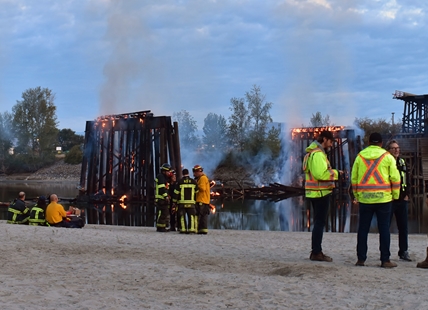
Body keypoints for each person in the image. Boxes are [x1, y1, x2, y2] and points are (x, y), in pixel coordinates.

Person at [352, 132, 401, 268]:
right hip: (383, 199)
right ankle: (385, 260)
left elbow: (354, 178)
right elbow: (395, 179)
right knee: (384, 229)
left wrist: (357, 195)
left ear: (368, 142)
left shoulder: (360, 157)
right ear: (381, 143)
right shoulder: (387, 157)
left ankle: (361, 259)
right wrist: (395, 196)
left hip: (365, 200)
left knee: (363, 229)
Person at [303, 131, 342, 262]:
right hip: (320, 192)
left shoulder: (312, 153)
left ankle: (316, 251)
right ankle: (316, 252)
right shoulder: (318, 154)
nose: (331, 144)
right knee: (319, 223)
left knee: (318, 223)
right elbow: (320, 174)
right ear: (324, 139)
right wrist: (337, 173)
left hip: (315, 192)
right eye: (330, 141)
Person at [385, 139, 411, 261]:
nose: (396, 150)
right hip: (389, 199)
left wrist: (407, 194)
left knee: (403, 227)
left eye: (398, 148)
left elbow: (407, 179)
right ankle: (385, 253)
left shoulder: (402, 162)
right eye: (394, 148)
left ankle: (403, 251)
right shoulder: (385, 163)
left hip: (402, 200)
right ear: (388, 150)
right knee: (386, 227)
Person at [174, 168, 199, 234]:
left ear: (182, 174)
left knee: (182, 216)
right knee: (191, 216)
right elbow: (197, 191)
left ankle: (183, 229)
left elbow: (176, 192)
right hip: (191, 202)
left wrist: (174, 201)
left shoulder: (180, 182)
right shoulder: (193, 181)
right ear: (188, 173)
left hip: (182, 203)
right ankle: (191, 229)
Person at [155, 163, 174, 232]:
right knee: (164, 213)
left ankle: (161, 227)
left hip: (162, 198)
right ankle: (161, 228)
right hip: (161, 198)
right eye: (168, 171)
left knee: (164, 213)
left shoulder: (163, 177)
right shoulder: (161, 177)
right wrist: (166, 196)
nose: (169, 173)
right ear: (164, 171)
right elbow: (162, 188)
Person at [193, 164, 211, 234]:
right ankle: (202, 230)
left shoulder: (203, 178)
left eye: (195, 172)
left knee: (200, 216)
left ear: (198, 172)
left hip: (202, 200)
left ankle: (201, 230)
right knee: (203, 216)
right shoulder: (202, 178)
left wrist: (195, 184)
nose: (194, 174)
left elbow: (202, 188)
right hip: (204, 200)